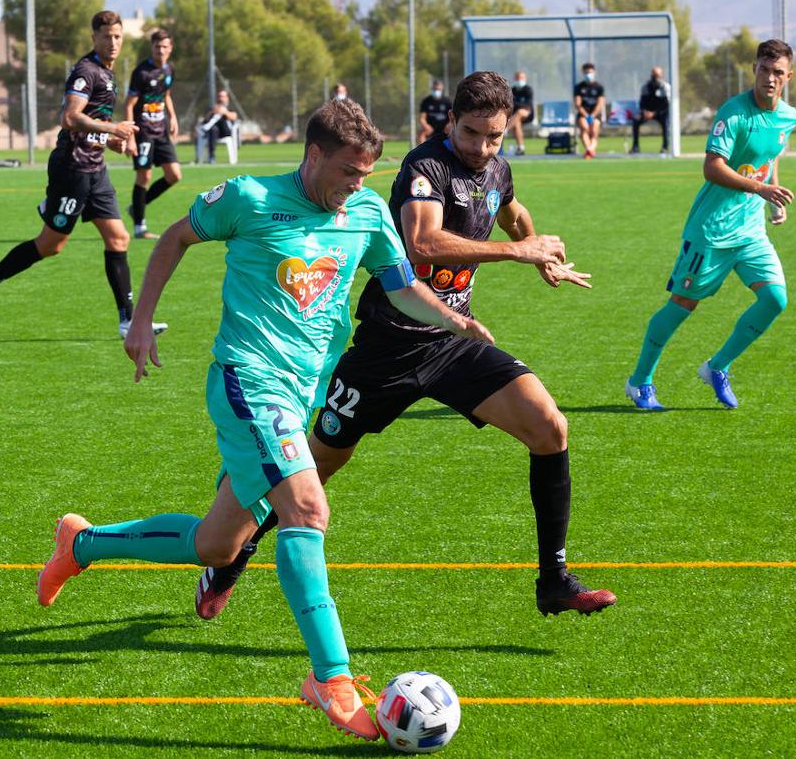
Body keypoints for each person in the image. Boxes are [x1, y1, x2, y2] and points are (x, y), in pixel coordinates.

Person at [36, 99, 493, 741]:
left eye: (366, 174)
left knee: (215, 545)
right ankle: (331, 679)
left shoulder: (364, 213)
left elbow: (399, 284)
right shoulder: (248, 198)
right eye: (348, 171)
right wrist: (139, 317)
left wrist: (453, 318)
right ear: (313, 156)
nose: (358, 185)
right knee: (307, 508)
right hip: (247, 382)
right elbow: (175, 237)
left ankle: (80, 544)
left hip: (298, 393)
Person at [193, 71, 615, 624]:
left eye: (494, 137)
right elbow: (422, 242)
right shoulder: (425, 167)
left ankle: (554, 580)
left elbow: (513, 211)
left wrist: (538, 251)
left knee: (549, 426)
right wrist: (519, 253)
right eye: (471, 134)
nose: (482, 147)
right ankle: (234, 553)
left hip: (452, 339)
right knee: (317, 467)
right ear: (449, 121)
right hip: (386, 348)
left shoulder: (495, 166)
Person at [0, 11, 166, 338]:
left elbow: (88, 127)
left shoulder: (107, 72)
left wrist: (109, 142)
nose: (112, 42)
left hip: (94, 167)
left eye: (117, 36)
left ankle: (127, 321)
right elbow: (70, 118)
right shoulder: (87, 71)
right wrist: (113, 127)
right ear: (94, 38)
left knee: (119, 238)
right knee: (50, 245)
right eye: (106, 36)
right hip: (71, 168)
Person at [625, 39, 796, 411]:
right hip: (711, 231)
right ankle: (640, 382)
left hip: (750, 231)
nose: (770, 78)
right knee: (682, 305)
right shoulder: (733, 113)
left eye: (778, 72)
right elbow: (712, 167)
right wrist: (760, 188)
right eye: (764, 70)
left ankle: (717, 367)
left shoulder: (789, 117)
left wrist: (770, 201)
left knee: (775, 299)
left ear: (788, 76)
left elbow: (770, 157)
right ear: (754, 69)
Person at [126, 29, 181, 239]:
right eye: (157, 46)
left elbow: (166, 95)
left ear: (170, 48)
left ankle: (137, 207)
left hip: (161, 130)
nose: (161, 50)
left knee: (174, 175)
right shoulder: (141, 72)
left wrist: (173, 117)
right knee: (144, 176)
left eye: (165, 46)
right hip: (143, 132)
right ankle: (140, 226)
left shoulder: (169, 70)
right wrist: (131, 135)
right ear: (152, 48)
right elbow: (129, 104)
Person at [632, 67, 670, 155]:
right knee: (636, 121)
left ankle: (665, 146)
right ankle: (635, 146)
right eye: (653, 74)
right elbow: (642, 103)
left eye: (657, 75)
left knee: (665, 122)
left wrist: (655, 113)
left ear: (661, 75)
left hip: (660, 113)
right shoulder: (646, 87)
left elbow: (666, 105)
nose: (654, 77)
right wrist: (645, 112)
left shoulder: (665, 87)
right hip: (647, 113)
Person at [573, 63, 605, 160]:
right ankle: (589, 150)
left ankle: (590, 150)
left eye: (590, 72)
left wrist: (593, 115)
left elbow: (600, 104)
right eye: (586, 73)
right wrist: (586, 115)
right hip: (583, 114)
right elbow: (578, 104)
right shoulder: (579, 87)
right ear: (583, 73)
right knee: (585, 128)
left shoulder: (599, 87)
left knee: (594, 129)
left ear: (594, 72)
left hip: (595, 114)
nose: (588, 75)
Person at [200, 89, 238, 163]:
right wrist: (214, 112)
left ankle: (206, 128)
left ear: (227, 98)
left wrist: (225, 112)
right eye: (219, 96)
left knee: (219, 118)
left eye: (223, 96)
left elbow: (234, 117)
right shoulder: (213, 108)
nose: (221, 98)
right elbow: (205, 119)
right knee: (213, 129)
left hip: (225, 131)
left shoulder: (230, 108)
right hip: (214, 132)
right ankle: (212, 156)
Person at [417, 78, 451, 145]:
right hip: (430, 129)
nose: (436, 91)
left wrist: (448, 126)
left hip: (444, 129)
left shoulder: (447, 102)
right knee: (421, 134)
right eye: (435, 89)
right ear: (432, 89)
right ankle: (423, 153)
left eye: (438, 89)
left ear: (442, 89)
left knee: (451, 134)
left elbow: (452, 117)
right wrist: (426, 126)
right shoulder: (426, 101)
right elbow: (422, 119)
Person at [508, 70, 534, 156]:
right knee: (517, 123)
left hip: (527, 114)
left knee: (520, 111)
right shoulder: (512, 90)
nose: (520, 80)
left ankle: (505, 130)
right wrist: (518, 105)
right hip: (515, 117)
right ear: (515, 79)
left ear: (525, 79)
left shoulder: (528, 89)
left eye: (521, 78)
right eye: (518, 78)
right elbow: (510, 104)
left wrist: (517, 105)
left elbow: (527, 105)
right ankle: (521, 148)